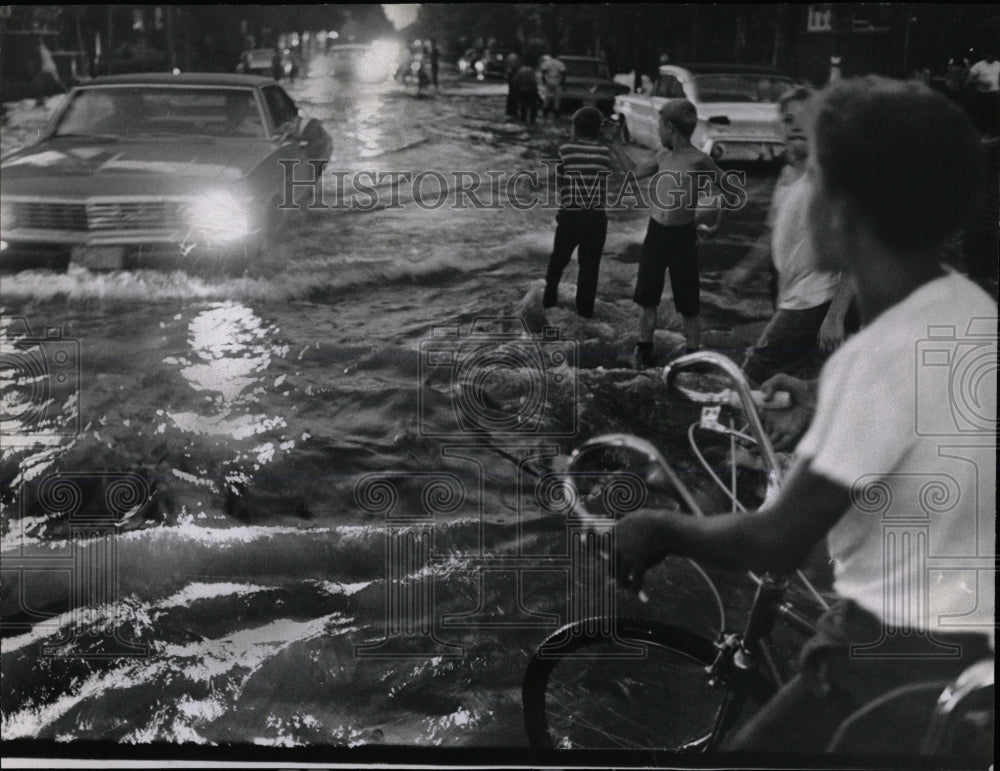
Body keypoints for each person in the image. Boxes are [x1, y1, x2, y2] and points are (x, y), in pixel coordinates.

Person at [610, 76, 996, 755]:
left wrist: (655, 526)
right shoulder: (969, 309)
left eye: (812, 175)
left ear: (843, 211)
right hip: (968, 644)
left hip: (882, 655)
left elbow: (775, 541)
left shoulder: (875, 357)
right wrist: (824, 402)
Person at [723, 86, 854, 386]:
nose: (795, 125)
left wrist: (834, 316)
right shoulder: (786, 176)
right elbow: (772, 234)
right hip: (791, 296)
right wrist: (744, 270)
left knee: (748, 378)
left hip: (814, 301)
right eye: (788, 118)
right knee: (800, 380)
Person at [609, 99, 726, 367]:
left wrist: (716, 226)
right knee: (647, 298)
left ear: (670, 127)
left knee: (689, 303)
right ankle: (644, 350)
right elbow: (632, 173)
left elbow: (729, 191)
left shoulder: (699, 160)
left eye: (660, 126)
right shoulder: (662, 157)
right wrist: (614, 145)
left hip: (683, 236)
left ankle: (692, 357)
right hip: (656, 234)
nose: (658, 132)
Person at [543, 107, 614, 318]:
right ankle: (585, 316)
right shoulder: (605, 153)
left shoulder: (565, 150)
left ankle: (548, 304)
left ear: (574, 128)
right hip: (596, 217)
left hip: (571, 216)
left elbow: (561, 182)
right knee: (589, 270)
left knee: (558, 262)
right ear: (598, 131)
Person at [966, 51, 1000, 135]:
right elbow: (969, 80)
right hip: (982, 94)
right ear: (986, 55)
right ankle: (981, 134)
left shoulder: (998, 64)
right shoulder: (978, 65)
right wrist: (980, 81)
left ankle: (993, 134)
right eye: (990, 54)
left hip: (995, 94)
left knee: (995, 116)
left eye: (994, 55)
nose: (992, 57)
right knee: (982, 115)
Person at [513, 58, 541, 125]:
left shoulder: (520, 70)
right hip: (530, 90)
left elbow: (516, 81)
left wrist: (516, 90)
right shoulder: (531, 70)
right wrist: (536, 90)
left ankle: (523, 119)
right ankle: (532, 120)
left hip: (521, 90)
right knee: (533, 106)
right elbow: (533, 81)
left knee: (523, 105)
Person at [539, 54, 566, 118]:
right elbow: (563, 73)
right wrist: (562, 82)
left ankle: (545, 112)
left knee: (547, 97)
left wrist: (544, 81)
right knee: (557, 98)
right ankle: (556, 112)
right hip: (557, 79)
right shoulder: (560, 63)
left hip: (548, 79)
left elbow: (543, 72)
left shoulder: (547, 62)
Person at [505, 50, 522, 118]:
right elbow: (514, 67)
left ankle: (510, 111)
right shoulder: (515, 57)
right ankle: (513, 111)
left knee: (511, 95)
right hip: (514, 77)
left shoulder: (510, 56)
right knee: (514, 95)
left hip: (511, 77)